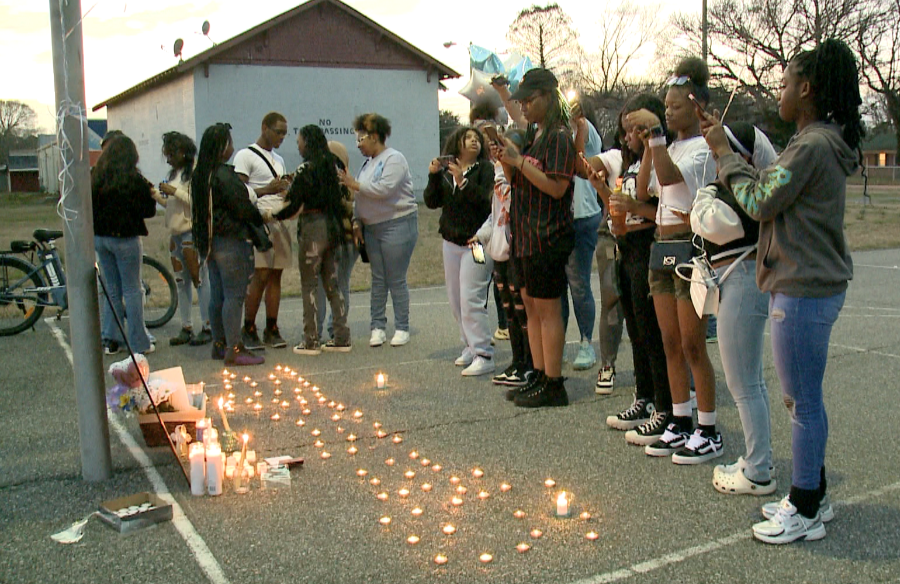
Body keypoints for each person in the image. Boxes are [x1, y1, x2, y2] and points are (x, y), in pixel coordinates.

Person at [701, 39, 862, 544]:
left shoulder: (813, 145)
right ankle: (813, 494)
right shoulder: (817, 141)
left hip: (802, 288)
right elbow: (770, 187)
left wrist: (726, 154)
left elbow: (757, 199)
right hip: (809, 285)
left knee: (801, 403)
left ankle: (805, 508)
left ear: (807, 89)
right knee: (806, 401)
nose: (782, 90)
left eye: (787, 82)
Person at [626, 57, 719, 461]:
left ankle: (708, 426)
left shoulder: (703, 147)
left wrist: (658, 137)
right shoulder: (668, 144)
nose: (668, 111)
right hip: (661, 247)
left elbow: (668, 179)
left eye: (676, 106)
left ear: (696, 108)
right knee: (668, 342)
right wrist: (650, 141)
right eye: (665, 106)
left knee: (692, 342)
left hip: (689, 246)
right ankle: (679, 419)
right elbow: (646, 187)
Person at [687, 122, 777, 495]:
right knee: (748, 381)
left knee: (744, 383)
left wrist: (706, 195)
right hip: (734, 282)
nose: (713, 156)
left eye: (721, 149)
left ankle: (758, 471)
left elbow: (708, 222)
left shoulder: (746, 191)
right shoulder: (732, 188)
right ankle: (760, 460)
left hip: (740, 281)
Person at [586, 95, 673, 441]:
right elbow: (622, 204)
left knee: (653, 335)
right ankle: (644, 396)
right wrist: (599, 186)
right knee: (636, 332)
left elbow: (656, 208)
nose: (627, 137)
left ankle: (665, 406)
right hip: (627, 248)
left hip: (648, 248)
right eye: (625, 131)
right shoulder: (633, 161)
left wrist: (633, 203)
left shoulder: (655, 158)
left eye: (635, 129)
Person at [494, 68, 576, 408]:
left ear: (547, 96)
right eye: (521, 101)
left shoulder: (558, 136)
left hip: (548, 234)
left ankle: (554, 382)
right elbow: (519, 182)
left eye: (529, 100)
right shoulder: (536, 133)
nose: (524, 107)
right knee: (530, 307)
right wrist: (508, 159)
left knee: (547, 308)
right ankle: (540, 374)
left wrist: (519, 162)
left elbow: (557, 187)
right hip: (526, 234)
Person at [339, 113, 418, 348]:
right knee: (378, 278)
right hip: (371, 227)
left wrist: (353, 183)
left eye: (360, 139)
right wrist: (357, 221)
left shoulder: (394, 159)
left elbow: (384, 190)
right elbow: (360, 198)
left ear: (374, 136)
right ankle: (377, 326)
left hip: (397, 224)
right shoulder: (367, 164)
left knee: (395, 278)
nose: (358, 145)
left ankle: (402, 327)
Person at [192, 123, 266, 366]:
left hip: (210, 242)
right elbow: (242, 206)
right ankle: (235, 347)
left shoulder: (201, 175)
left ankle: (220, 343)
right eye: (230, 142)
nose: (232, 147)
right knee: (235, 295)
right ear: (223, 147)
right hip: (231, 241)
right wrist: (260, 217)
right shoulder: (225, 175)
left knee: (218, 295)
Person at [275, 125, 352, 355]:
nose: (297, 145)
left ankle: (310, 339)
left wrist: (274, 214)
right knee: (332, 282)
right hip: (333, 227)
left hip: (313, 228)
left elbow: (293, 202)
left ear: (307, 142)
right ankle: (341, 336)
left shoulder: (305, 169)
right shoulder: (331, 166)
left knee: (309, 283)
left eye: (299, 141)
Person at [425, 126, 495, 376]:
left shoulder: (485, 169)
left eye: (478, 139)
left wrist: (463, 182)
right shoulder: (447, 170)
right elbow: (432, 201)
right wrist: (434, 176)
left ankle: (483, 352)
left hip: (476, 244)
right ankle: (469, 343)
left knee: (471, 297)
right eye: (469, 139)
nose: (474, 142)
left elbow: (487, 201)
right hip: (451, 243)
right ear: (457, 144)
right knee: (455, 299)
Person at [475, 129, 533, 388]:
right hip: (499, 249)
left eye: (502, 148)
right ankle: (517, 360)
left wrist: (504, 173)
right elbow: (495, 213)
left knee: (522, 312)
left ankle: (530, 364)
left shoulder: (518, 176)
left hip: (516, 250)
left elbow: (513, 205)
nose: (496, 153)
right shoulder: (499, 175)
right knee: (508, 309)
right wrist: (483, 234)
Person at [92, 133, 157, 356]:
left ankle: (111, 338)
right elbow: (149, 210)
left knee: (111, 289)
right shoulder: (133, 179)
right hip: (126, 238)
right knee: (132, 289)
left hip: (100, 238)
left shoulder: (96, 177)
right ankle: (138, 341)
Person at [234, 112, 293, 351]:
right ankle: (248, 327)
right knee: (260, 275)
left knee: (275, 275)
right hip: (259, 223)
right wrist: (267, 189)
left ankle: (272, 326)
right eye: (278, 131)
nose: (281, 137)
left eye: (285, 134)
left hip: (278, 220)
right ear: (265, 128)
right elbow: (239, 191)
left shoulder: (278, 159)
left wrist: (285, 190)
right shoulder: (245, 155)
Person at [152, 131, 212, 347]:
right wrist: (157, 195)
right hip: (176, 233)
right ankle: (186, 325)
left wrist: (174, 191)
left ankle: (208, 325)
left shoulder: (195, 173)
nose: (168, 159)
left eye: (170, 154)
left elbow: (199, 202)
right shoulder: (175, 174)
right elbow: (172, 204)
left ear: (182, 152)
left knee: (199, 280)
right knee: (181, 281)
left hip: (191, 232)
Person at [563, 108, 604, 372]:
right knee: (556, 287)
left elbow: (579, 164)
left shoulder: (585, 128)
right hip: (559, 216)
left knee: (578, 284)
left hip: (583, 215)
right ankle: (556, 343)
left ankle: (586, 342)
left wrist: (578, 122)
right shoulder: (556, 129)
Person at [469, 102, 510, 342]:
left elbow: (489, 200)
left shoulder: (491, 168)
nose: (483, 138)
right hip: (475, 236)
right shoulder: (469, 167)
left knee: (498, 278)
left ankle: (504, 323)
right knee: (479, 280)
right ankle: (481, 325)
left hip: (495, 230)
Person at [315, 141, 358, 343]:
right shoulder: (348, 180)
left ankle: (331, 329)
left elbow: (351, 208)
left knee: (331, 286)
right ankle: (333, 329)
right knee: (338, 285)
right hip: (342, 240)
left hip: (340, 240)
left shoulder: (343, 182)